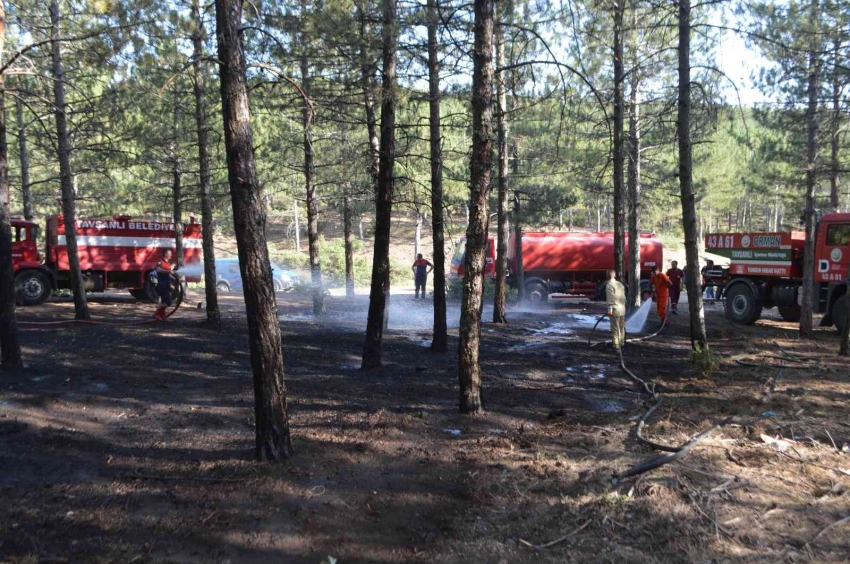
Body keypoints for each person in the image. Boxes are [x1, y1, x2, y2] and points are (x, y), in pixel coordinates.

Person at [154, 249, 179, 321]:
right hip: (161, 285)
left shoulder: (168, 263)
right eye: (169, 253)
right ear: (165, 254)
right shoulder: (160, 262)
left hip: (166, 285)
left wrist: (174, 281)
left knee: (164, 301)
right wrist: (169, 271)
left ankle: (162, 316)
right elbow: (158, 270)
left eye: (171, 253)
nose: (171, 255)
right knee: (168, 302)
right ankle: (156, 313)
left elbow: (167, 275)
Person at [605, 269, 627, 351]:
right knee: (621, 327)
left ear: (608, 276)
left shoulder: (609, 285)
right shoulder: (620, 284)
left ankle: (616, 345)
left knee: (615, 328)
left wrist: (610, 310)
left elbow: (610, 299)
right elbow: (623, 297)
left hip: (615, 310)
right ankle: (622, 343)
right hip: (622, 309)